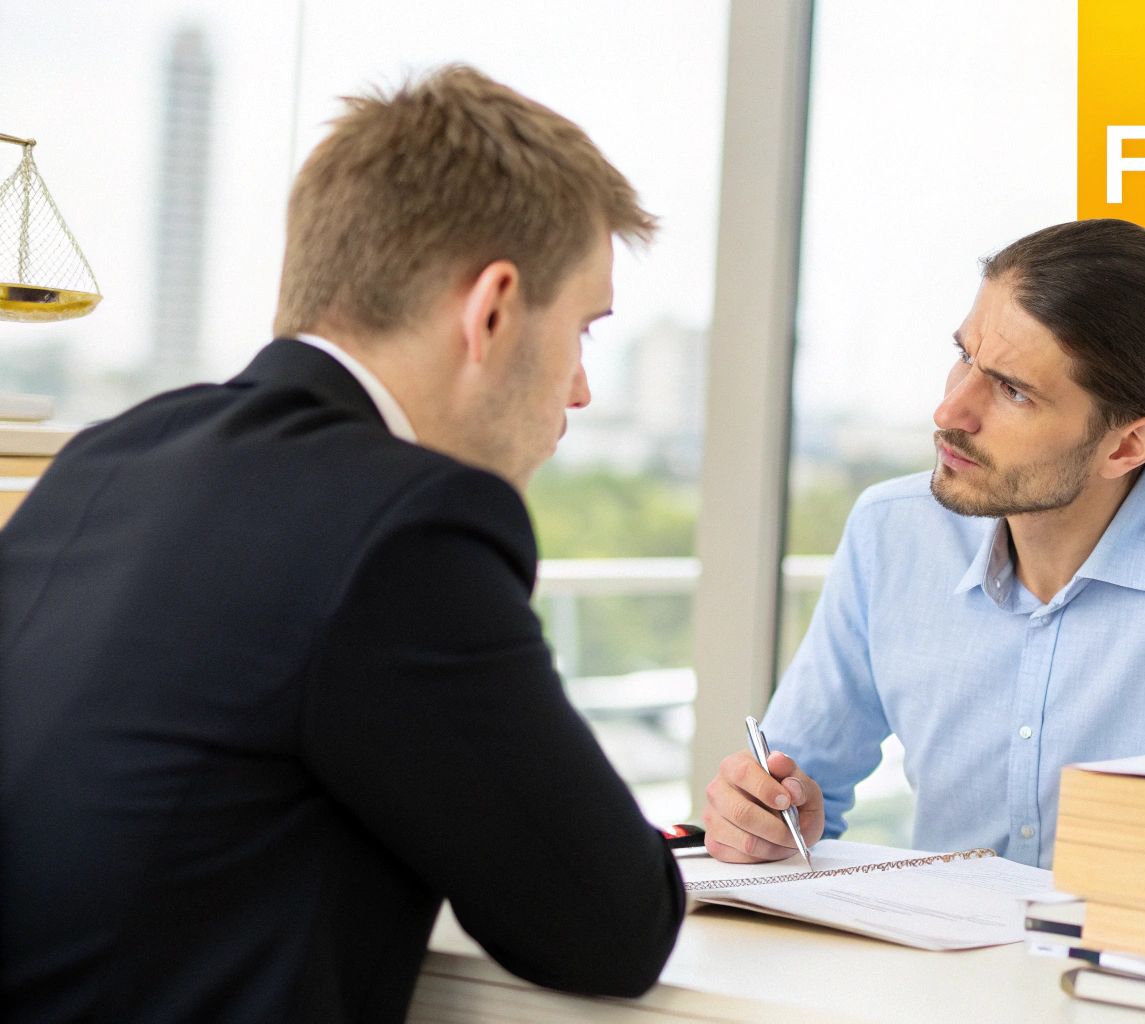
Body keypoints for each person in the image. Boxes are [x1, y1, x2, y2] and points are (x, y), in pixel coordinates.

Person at [0, 66, 683, 1023]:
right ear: (491, 310)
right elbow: (613, 923)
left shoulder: (112, 454)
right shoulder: (406, 528)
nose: (579, 391)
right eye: (583, 330)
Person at [704, 218, 1145, 870]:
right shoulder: (892, 531)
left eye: (1012, 391)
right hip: (936, 973)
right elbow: (795, 784)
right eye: (964, 357)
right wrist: (762, 816)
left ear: (1127, 445)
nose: (950, 412)